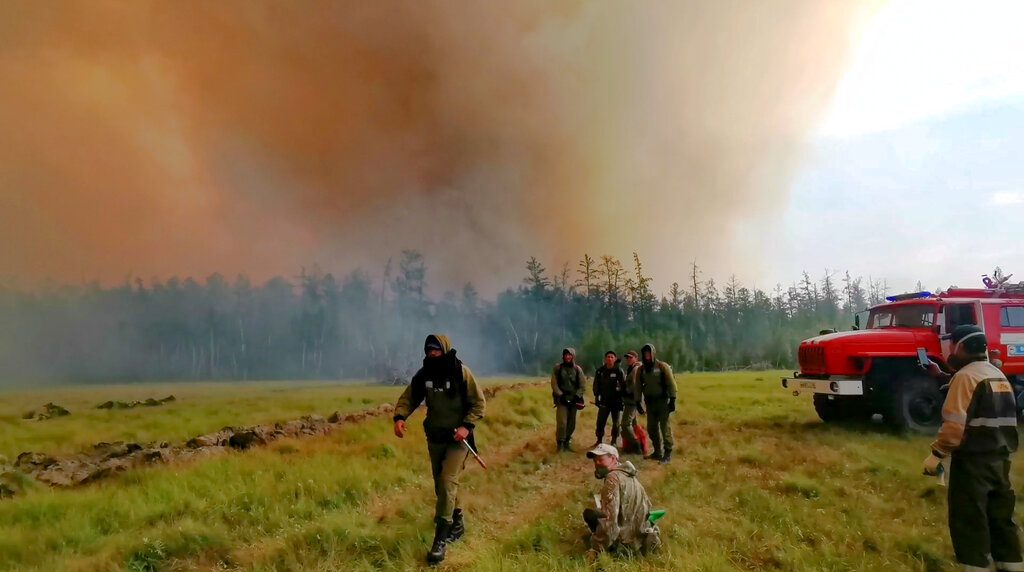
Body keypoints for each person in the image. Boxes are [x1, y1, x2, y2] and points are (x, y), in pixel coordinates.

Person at [922, 325, 1022, 572]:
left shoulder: (965, 377)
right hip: (1001, 459)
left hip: (973, 463)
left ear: (961, 347)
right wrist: (942, 376)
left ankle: (976, 567)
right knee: (1001, 517)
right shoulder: (997, 376)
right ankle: (1012, 564)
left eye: (952, 345)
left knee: (969, 518)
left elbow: (955, 426)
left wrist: (936, 454)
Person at [393, 334, 487, 565]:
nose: (432, 353)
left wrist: (467, 427)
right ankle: (457, 521)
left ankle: (440, 540)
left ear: (444, 350)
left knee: (447, 481)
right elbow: (409, 397)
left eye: (436, 349)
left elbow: (479, 403)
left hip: (458, 440)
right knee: (441, 486)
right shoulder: (425, 373)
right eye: (429, 350)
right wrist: (400, 417)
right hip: (435, 438)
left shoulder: (460, 372)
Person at [583, 444, 661, 558]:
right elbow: (648, 509)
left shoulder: (612, 479)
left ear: (613, 459)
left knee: (590, 514)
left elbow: (609, 521)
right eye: (595, 460)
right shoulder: (630, 476)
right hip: (640, 534)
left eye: (600, 459)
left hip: (626, 543)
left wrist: (597, 548)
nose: (596, 463)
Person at [633, 343, 677, 463]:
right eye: (645, 353)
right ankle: (657, 452)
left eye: (649, 353)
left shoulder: (662, 367)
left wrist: (672, 399)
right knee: (652, 429)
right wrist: (637, 401)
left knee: (665, 428)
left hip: (663, 402)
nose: (647, 355)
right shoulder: (641, 370)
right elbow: (637, 386)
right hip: (650, 403)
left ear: (653, 353)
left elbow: (671, 383)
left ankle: (667, 453)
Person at [551, 347, 586, 452]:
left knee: (571, 423)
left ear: (573, 356)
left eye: (570, 355)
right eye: (566, 355)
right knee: (562, 422)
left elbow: (582, 385)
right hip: (562, 399)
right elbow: (554, 383)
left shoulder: (577, 369)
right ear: (563, 356)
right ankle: (560, 443)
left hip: (574, 399)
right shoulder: (558, 368)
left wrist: (577, 396)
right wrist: (560, 395)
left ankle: (567, 441)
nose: (567, 357)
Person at [592, 351, 626, 447]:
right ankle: (599, 440)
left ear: (614, 359)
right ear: (605, 359)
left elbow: (623, 386)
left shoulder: (619, 371)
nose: (609, 358)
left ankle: (614, 441)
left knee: (616, 423)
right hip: (604, 400)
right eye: (608, 357)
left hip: (616, 401)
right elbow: (596, 385)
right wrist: (596, 396)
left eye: (612, 357)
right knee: (600, 421)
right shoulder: (600, 371)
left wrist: (622, 398)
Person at [619, 350, 645, 454]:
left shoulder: (636, 369)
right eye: (627, 358)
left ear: (636, 358)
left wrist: (625, 390)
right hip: (630, 400)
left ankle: (636, 445)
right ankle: (632, 447)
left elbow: (634, 385)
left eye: (630, 357)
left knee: (625, 424)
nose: (628, 359)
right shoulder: (631, 368)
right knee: (633, 424)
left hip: (632, 400)